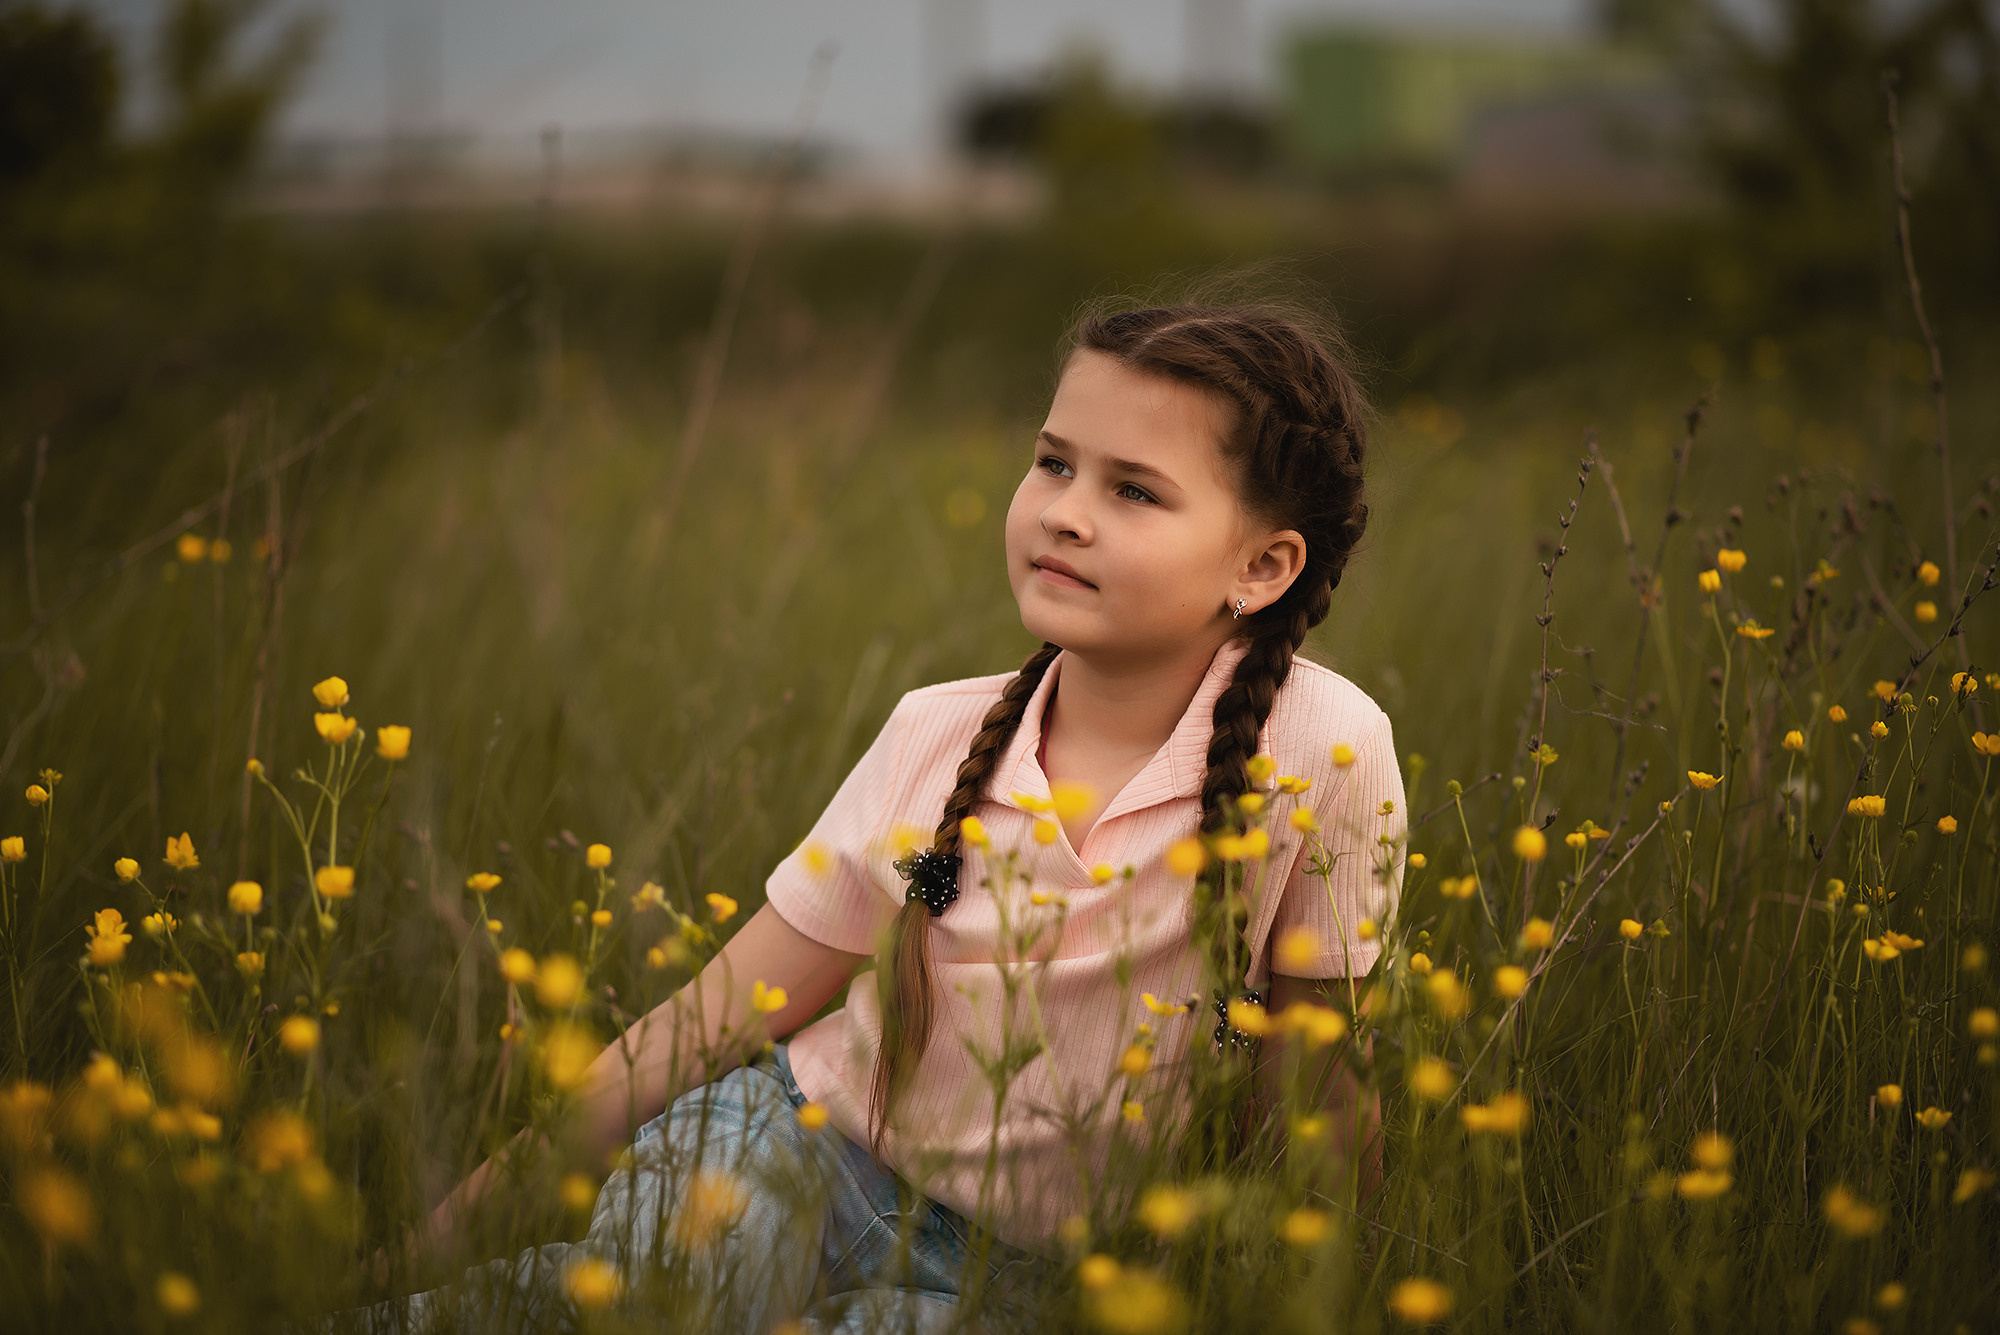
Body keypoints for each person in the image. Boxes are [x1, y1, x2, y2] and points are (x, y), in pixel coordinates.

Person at [381, 302, 1405, 1333]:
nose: (1064, 513)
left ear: (1261, 567)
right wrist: (453, 1223)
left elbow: (1315, 1082)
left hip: (1044, 1275)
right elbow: (719, 1011)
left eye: (1133, 490)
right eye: (1052, 464)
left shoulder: (1322, 752)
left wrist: (1328, 1296)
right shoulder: (938, 735)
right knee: (671, 1299)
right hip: (800, 1147)